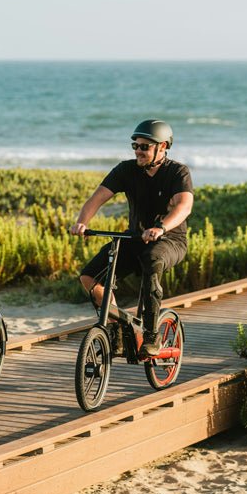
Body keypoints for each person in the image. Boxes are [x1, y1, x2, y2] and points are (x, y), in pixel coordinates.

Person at [68, 119, 195, 355]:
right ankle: (117, 327)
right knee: (89, 278)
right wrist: (82, 222)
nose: (138, 150)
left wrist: (161, 228)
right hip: (134, 239)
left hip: (170, 241)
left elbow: (184, 206)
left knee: (152, 259)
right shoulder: (126, 170)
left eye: (144, 146)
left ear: (163, 146)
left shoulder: (178, 172)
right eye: (135, 145)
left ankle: (151, 335)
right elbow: (97, 198)